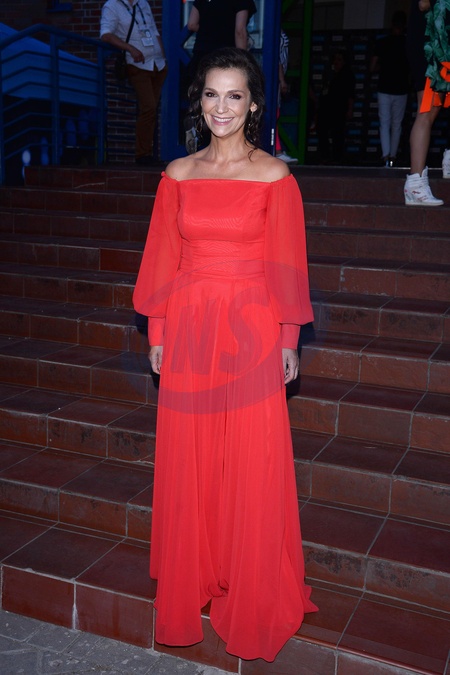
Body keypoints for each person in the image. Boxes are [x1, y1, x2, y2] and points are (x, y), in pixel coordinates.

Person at [133, 47, 318, 662]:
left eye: (234, 95)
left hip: (252, 330)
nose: (221, 107)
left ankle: (249, 578)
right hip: (189, 327)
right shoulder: (178, 174)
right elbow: (162, 258)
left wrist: (288, 341)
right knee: (192, 457)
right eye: (211, 94)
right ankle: (200, 571)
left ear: (254, 104)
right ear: (199, 101)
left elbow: (287, 264)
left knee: (250, 457)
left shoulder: (275, 177)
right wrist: (157, 332)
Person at [184, 0, 257, 154]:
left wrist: (210, 30)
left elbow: (191, 24)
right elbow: (240, 31)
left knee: (208, 102)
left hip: (201, 58)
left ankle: (198, 128)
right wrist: (244, 63)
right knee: (229, 106)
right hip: (226, 60)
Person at [100, 0, 167, 165]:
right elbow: (105, 34)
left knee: (151, 110)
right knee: (148, 107)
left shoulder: (143, 3)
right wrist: (130, 48)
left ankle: (147, 153)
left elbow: (154, 31)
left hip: (158, 64)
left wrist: (163, 56)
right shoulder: (112, 6)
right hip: (137, 65)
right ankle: (143, 155)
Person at [404, 0, 449, 205]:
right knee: (427, 109)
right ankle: (415, 183)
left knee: (434, 108)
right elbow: (423, 4)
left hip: (439, 44)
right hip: (428, 44)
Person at [370, 10, 409, 167]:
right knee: (396, 124)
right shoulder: (408, 43)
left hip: (385, 88)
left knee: (385, 123)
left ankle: (386, 156)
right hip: (401, 88)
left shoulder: (383, 42)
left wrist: (384, 67)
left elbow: (372, 67)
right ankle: (392, 157)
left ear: (392, 24)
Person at [316, 49, 355, 164]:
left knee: (338, 134)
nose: (336, 62)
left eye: (339, 59)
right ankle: (325, 156)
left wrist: (350, 109)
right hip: (326, 108)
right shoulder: (329, 73)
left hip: (339, 109)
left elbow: (351, 94)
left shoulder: (347, 75)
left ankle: (337, 158)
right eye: (335, 59)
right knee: (322, 131)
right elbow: (324, 90)